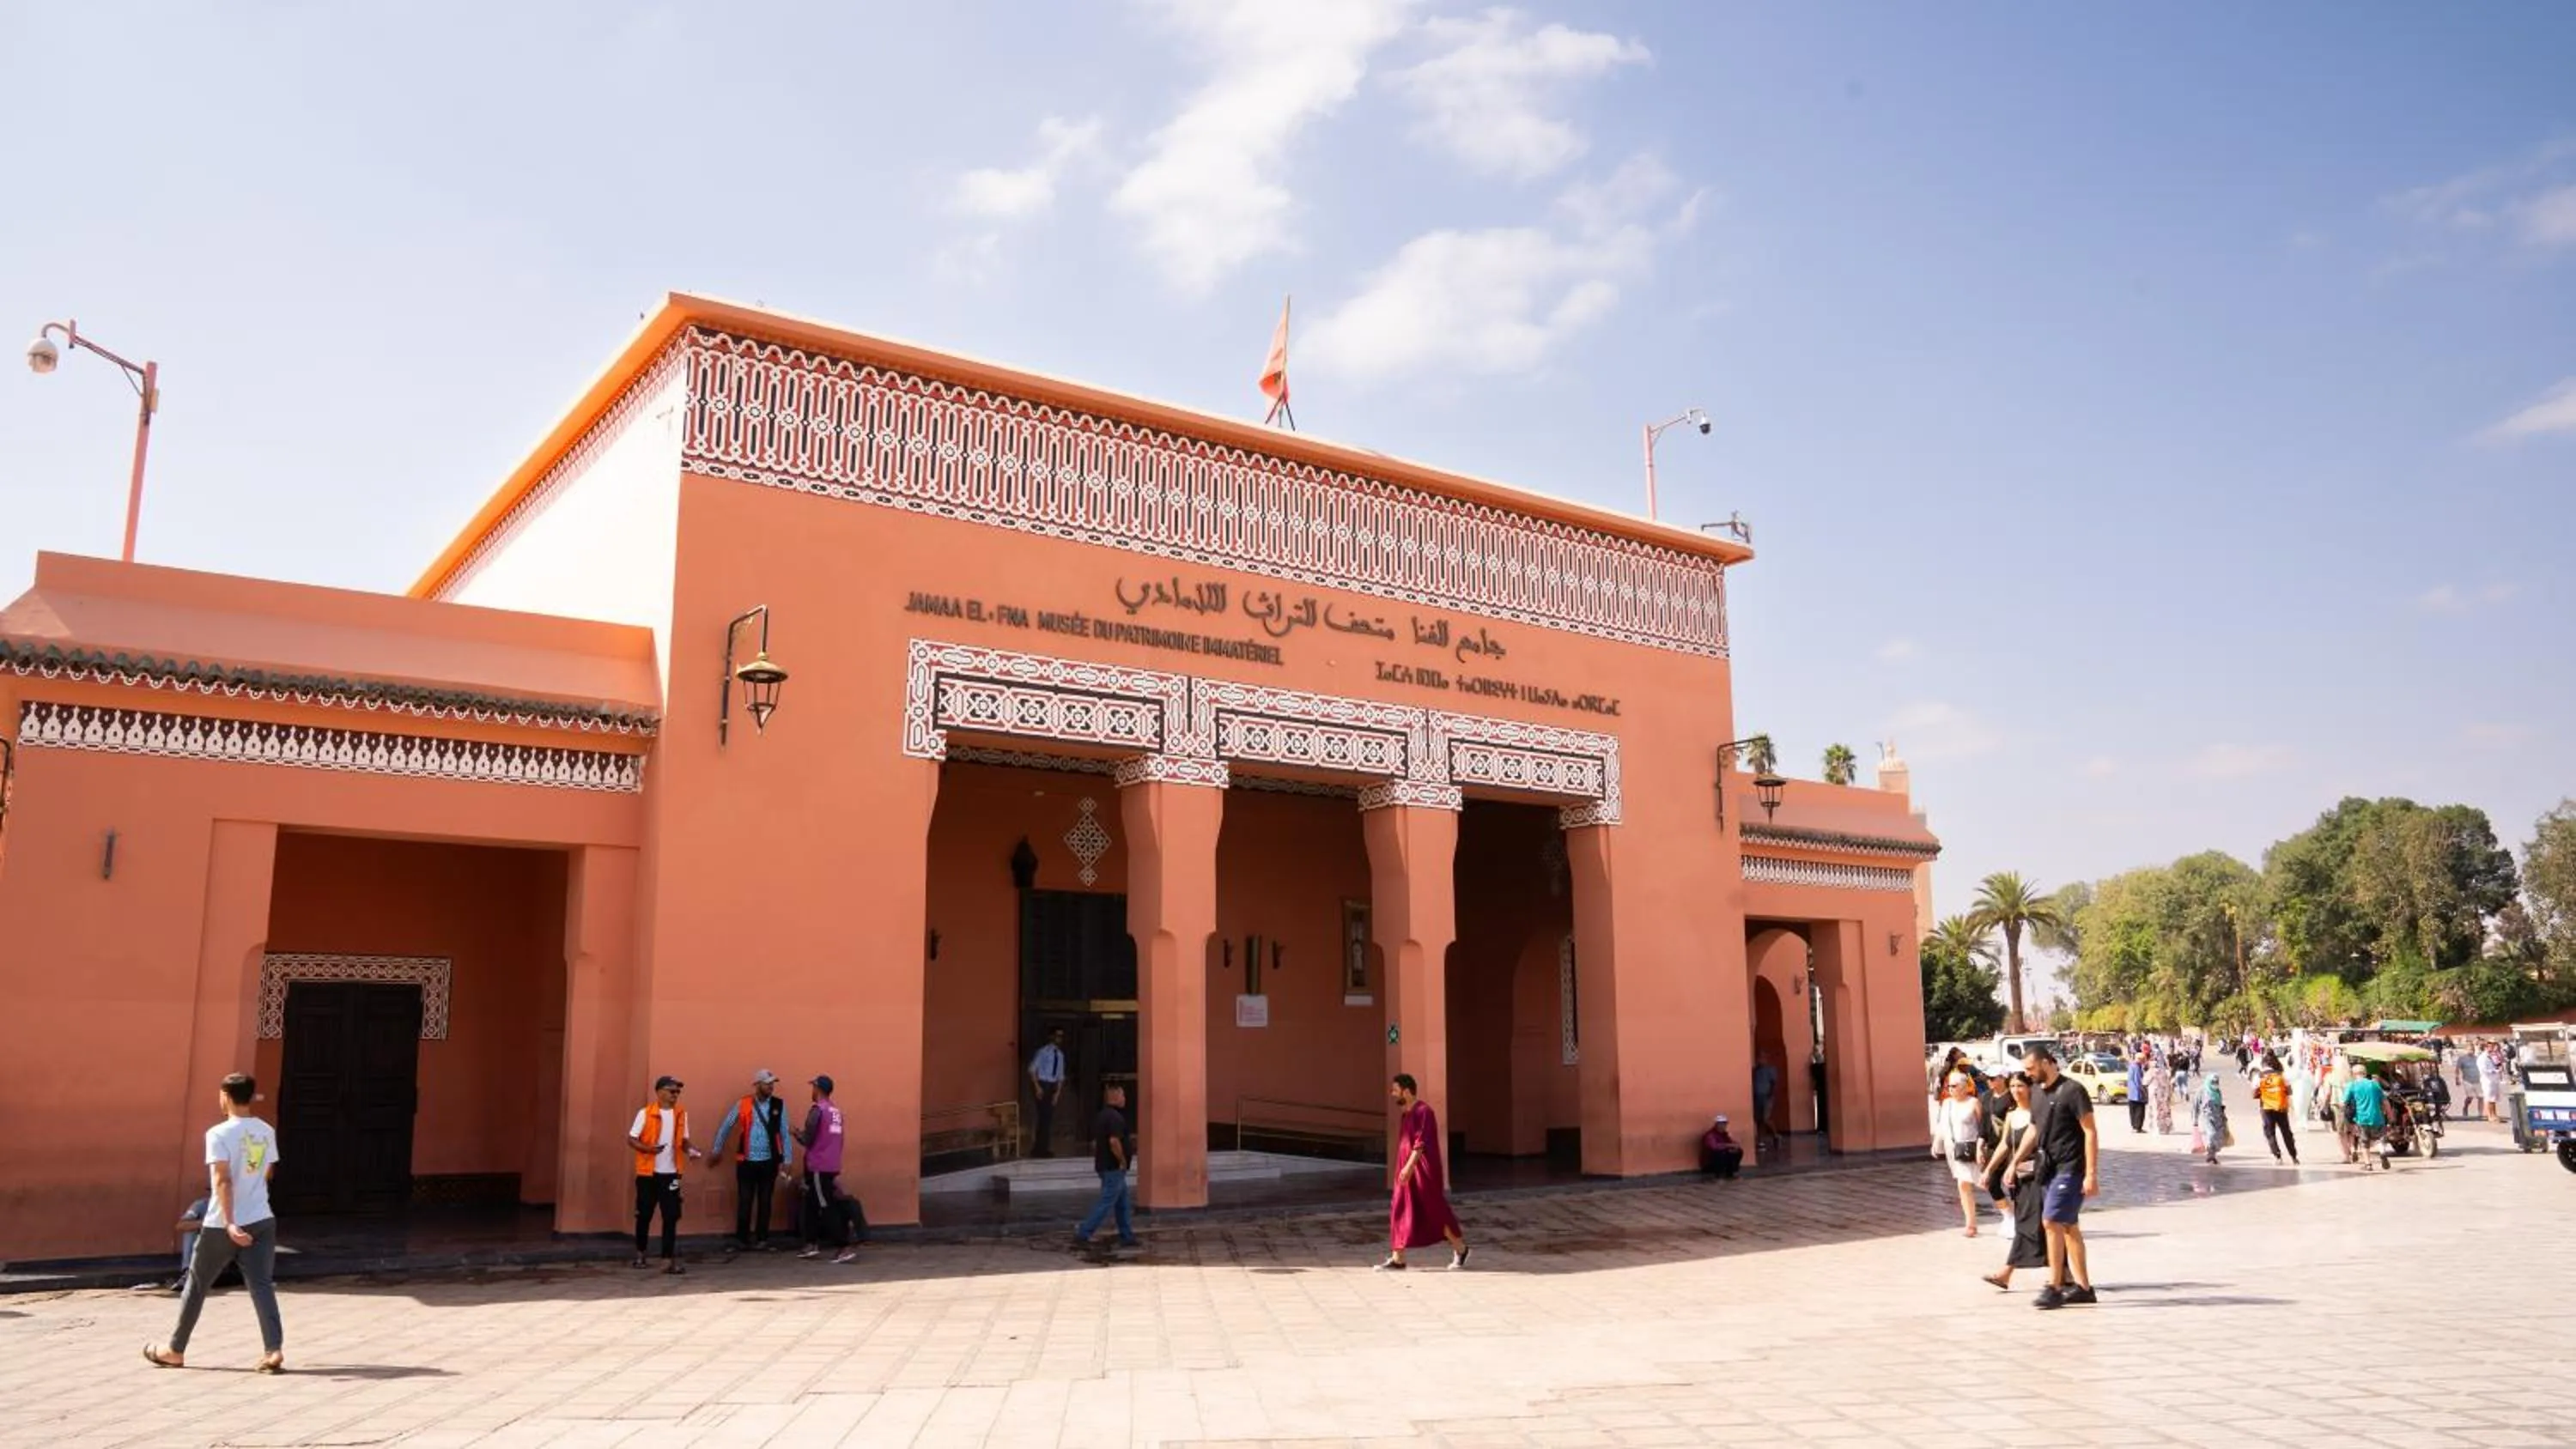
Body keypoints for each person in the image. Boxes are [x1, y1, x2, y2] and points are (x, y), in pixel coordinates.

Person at [143, 1073, 285, 1373]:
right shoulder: (265, 1130)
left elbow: (222, 1179)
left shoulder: (219, 1134)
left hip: (222, 1223)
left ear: (225, 1096)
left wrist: (231, 1222)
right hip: (262, 1217)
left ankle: (175, 1349)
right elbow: (267, 1172)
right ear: (251, 1096)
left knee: (196, 1286)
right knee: (261, 1285)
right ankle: (273, 1349)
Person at [2020, 1045, 2097, 1309]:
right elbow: (2033, 1129)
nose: (2027, 1074)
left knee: (2051, 1221)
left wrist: (2091, 1174)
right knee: (2068, 1226)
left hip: (2071, 1168)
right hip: (2048, 1169)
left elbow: (2090, 1131)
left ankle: (2054, 1287)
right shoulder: (2038, 1093)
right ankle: (2085, 1288)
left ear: (2045, 1063)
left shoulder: (2073, 1091)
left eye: (2030, 1069)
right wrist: (2014, 1162)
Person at [1379, 1073, 1469, 1270]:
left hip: (1422, 1172)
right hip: (1406, 1172)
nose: (1393, 1094)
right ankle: (1398, 1257)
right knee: (1399, 1208)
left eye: (1395, 1090)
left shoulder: (1424, 1112)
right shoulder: (1406, 1114)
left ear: (1407, 1090)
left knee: (1433, 1210)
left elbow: (1420, 1143)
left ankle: (1460, 1248)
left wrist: (1409, 1167)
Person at [709, 1069, 793, 1252]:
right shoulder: (743, 1104)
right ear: (757, 1085)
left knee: (765, 1201)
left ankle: (762, 1239)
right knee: (745, 1201)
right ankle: (742, 1239)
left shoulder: (779, 1105)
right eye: (767, 1083)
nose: (771, 1086)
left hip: (769, 1161)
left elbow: (785, 1133)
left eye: (773, 1083)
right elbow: (726, 1126)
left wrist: (788, 1159)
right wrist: (717, 1149)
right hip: (746, 1161)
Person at [1979, 1074, 2048, 1293]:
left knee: (2029, 1225)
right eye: (2013, 1086)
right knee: (2037, 1226)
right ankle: (2065, 1274)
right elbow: (2005, 1145)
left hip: (2038, 1176)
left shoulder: (2038, 1114)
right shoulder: (2012, 1115)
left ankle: (2006, 1272)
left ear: (2030, 1088)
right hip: (2019, 1178)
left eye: (2020, 1085)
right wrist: (1989, 1170)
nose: (2017, 1090)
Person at [628, 1074, 701, 1274]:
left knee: (671, 1215)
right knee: (644, 1214)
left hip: (672, 1175)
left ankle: (667, 1260)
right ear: (659, 1092)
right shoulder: (645, 1113)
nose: (675, 1095)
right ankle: (640, 1254)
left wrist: (692, 1150)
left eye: (678, 1091)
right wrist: (648, 1149)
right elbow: (631, 1139)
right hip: (647, 1174)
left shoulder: (681, 1114)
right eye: (672, 1091)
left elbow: (683, 1141)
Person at [793, 1074, 864, 1264]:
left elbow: (807, 1139)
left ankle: (843, 1246)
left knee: (825, 1205)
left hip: (818, 1165)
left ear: (818, 1089)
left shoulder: (818, 1111)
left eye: (813, 1087)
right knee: (811, 1204)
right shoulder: (836, 1112)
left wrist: (794, 1133)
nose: (812, 1091)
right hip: (831, 1164)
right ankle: (810, 1243)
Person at [1073, 1083, 1140, 1258]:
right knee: (1107, 1201)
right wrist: (1122, 1160)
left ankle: (1127, 1235)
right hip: (1113, 1167)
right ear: (1115, 1097)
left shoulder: (1103, 1116)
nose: (1125, 1099)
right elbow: (1113, 1142)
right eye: (1123, 1096)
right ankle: (1084, 1232)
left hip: (1107, 1166)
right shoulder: (1115, 1118)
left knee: (1123, 1202)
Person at [1933, 1070, 1987, 1237]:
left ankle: (2008, 1210)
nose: (1950, 1089)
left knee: (1983, 1183)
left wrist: (1981, 1147)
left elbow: (1982, 1128)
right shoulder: (1947, 1103)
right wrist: (1937, 1144)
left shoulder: (1974, 1103)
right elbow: (1941, 1125)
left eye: (1954, 1086)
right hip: (1954, 1150)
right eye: (1948, 1086)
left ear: (1964, 1087)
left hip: (1971, 1148)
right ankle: (1970, 1223)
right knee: (1963, 1184)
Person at [1028, 1028, 1069, 1158]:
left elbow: (1060, 1076)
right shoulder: (1043, 1052)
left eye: (1061, 1036)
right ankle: (1039, 1149)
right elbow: (1032, 1069)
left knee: (1048, 1119)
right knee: (1043, 1117)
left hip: (1052, 1086)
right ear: (1052, 1037)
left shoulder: (1060, 1055)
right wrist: (1037, 1087)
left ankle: (1044, 1147)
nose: (1059, 1039)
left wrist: (1057, 1093)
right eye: (1057, 1036)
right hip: (1043, 1083)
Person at [2344, 1064, 2392, 1172]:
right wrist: (2390, 1116)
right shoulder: (2374, 1084)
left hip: (2361, 1118)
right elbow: (2385, 1102)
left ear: (2354, 1074)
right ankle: (2382, 1152)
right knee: (2379, 1138)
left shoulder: (2352, 1086)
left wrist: (2348, 1119)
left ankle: (2368, 1164)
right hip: (2377, 1117)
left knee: (2364, 1142)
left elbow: (2345, 1102)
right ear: (2365, 1073)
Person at [2255, 1054, 2299, 1165]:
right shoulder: (2282, 1076)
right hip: (2281, 1107)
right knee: (2286, 1131)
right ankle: (2294, 1156)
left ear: (2264, 1064)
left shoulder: (2259, 1077)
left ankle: (2277, 1156)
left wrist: (2264, 1093)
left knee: (2270, 1132)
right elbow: (2290, 1092)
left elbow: (2254, 1094)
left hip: (2266, 1107)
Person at [2197, 1071, 2228, 1166]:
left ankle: (2212, 1155)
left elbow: (2220, 1103)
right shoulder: (2202, 1091)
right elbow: (2196, 1104)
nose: (2215, 1084)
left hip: (2218, 1116)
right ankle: (2209, 1154)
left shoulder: (2217, 1091)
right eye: (2213, 1082)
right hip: (2208, 1116)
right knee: (2212, 1134)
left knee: (2219, 1137)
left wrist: (2223, 1115)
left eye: (2216, 1082)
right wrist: (2194, 1119)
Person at [1698, 1114, 1743, 1180]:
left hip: (1723, 1156)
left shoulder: (1724, 1134)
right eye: (1721, 1124)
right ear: (1716, 1125)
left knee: (1737, 1152)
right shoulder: (1710, 1135)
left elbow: (1730, 1143)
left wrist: (1734, 1146)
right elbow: (1714, 1147)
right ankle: (1719, 1175)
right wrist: (1728, 1146)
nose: (1723, 1126)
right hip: (1711, 1160)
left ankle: (1731, 1173)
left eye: (1724, 1124)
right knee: (1720, 1153)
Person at [1753, 1056, 1782, 1154]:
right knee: (1758, 1120)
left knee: (1766, 1118)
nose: (1760, 1060)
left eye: (1762, 1058)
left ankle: (1776, 1135)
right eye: (1759, 1059)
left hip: (1766, 1097)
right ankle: (1761, 1141)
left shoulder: (1770, 1070)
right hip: (1757, 1097)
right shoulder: (1755, 1070)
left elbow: (1774, 1083)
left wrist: (1770, 1094)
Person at [2148, 1048, 2176, 1135]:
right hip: (2164, 1095)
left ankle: (2159, 1128)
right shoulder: (2167, 1072)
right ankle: (2165, 1128)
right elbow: (2171, 1083)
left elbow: (2145, 1082)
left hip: (2157, 1095)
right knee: (2164, 1111)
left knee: (2158, 1111)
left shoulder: (2152, 1072)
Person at [2124, 1053, 2148, 1133]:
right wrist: (2143, 1090)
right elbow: (2138, 1081)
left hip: (2131, 1092)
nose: (2144, 1062)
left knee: (2132, 1111)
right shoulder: (2137, 1067)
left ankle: (2134, 1126)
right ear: (2140, 1059)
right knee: (2140, 1110)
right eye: (2143, 1060)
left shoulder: (2131, 1066)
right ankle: (2138, 1127)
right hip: (2137, 1093)